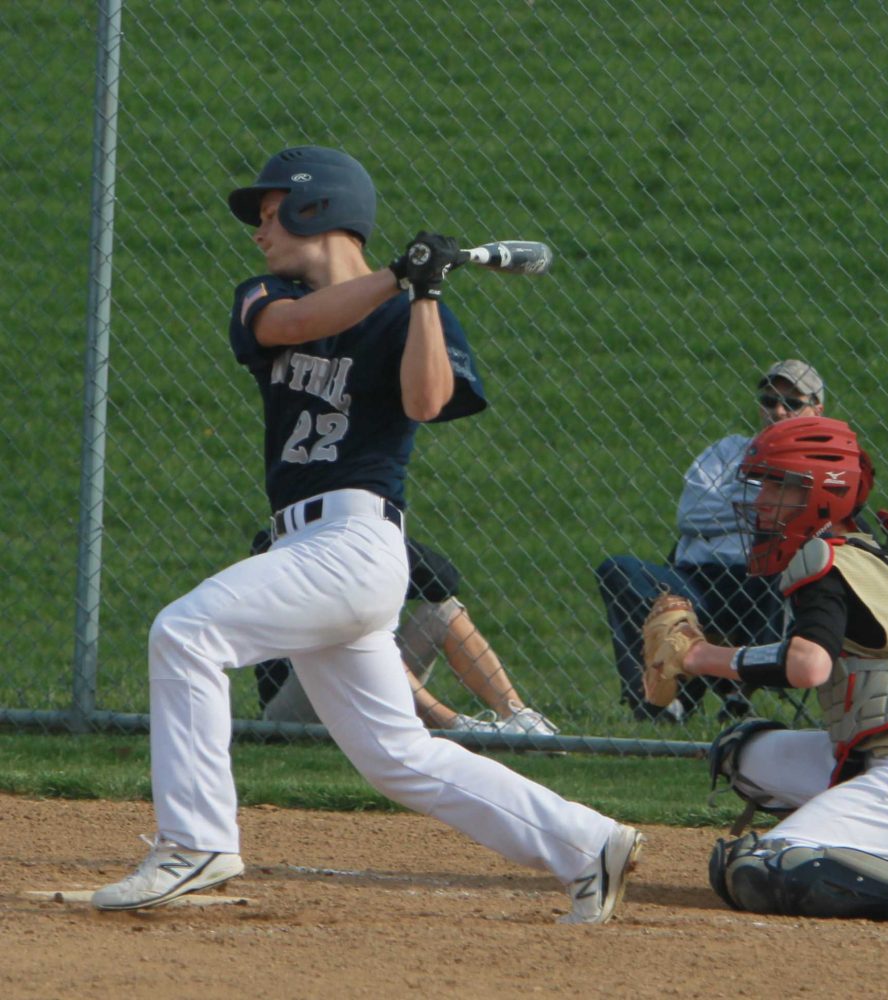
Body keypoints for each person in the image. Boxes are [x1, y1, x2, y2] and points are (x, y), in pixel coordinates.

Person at [91, 145, 641, 922]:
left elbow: (425, 401)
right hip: (306, 552)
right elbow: (293, 323)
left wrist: (424, 295)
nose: (260, 229)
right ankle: (588, 843)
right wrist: (396, 275)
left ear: (319, 207)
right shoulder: (264, 296)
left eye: (272, 210)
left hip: (354, 544)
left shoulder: (410, 307)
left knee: (185, 632)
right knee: (397, 756)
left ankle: (196, 840)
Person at [655, 415, 888, 925]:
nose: (759, 504)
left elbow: (808, 666)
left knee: (759, 867)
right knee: (742, 754)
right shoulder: (871, 554)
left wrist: (699, 656)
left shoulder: (822, 558)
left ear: (819, 497)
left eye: (775, 488)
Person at [595, 360, 825, 722]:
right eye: (769, 401)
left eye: (792, 403)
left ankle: (739, 688)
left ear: (817, 409)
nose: (777, 411)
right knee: (619, 571)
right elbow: (690, 514)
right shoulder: (727, 451)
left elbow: (802, 521)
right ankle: (655, 697)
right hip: (697, 578)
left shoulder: (824, 463)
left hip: (764, 583)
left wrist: (734, 501)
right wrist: (766, 503)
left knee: (779, 555)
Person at [251, 531, 559, 738]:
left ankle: (520, 719)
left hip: (369, 683)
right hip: (296, 709)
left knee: (442, 611)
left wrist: (379, 542)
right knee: (356, 627)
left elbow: (443, 581)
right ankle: (457, 728)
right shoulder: (279, 539)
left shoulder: (361, 534)